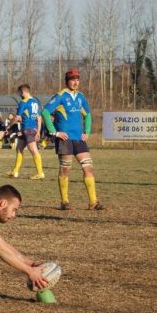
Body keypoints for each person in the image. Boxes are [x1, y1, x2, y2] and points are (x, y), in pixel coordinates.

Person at [42, 69, 104, 210]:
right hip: (65, 139)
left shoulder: (81, 97)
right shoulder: (60, 96)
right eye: (72, 79)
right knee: (65, 170)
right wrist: (54, 132)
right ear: (67, 81)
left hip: (79, 139)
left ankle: (93, 203)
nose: (75, 82)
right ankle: (64, 202)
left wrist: (87, 131)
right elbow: (45, 112)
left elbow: (88, 115)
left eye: (77, 79)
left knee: (88, 168)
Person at [7, 84, 45, 179]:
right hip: (29, 129)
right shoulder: (36, 102)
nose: (19, 94)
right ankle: (15, 172)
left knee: (33, 150)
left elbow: (17, 117)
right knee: (19, 148)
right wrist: (38, 131)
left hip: (28, 129)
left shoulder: (23, 102)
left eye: (19, 92)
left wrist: (9, 126)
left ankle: (40, 173)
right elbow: (39, 118)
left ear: (23, 92)